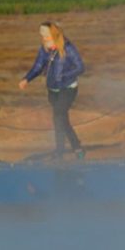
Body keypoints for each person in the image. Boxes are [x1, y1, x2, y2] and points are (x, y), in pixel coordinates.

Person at [19, 21, 86, 159]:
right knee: (62, 119)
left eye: (45, 34)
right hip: (53, 90)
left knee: (58, 118)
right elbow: (38, 66)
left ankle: (59, 152)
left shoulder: (68, 47)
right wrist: (27, 79)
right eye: (41, 34)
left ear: (53, 34)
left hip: (68, 89)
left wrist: (63, 76)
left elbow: (80, 67)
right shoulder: (44, 49)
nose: (43, 37)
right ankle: (77, 146)